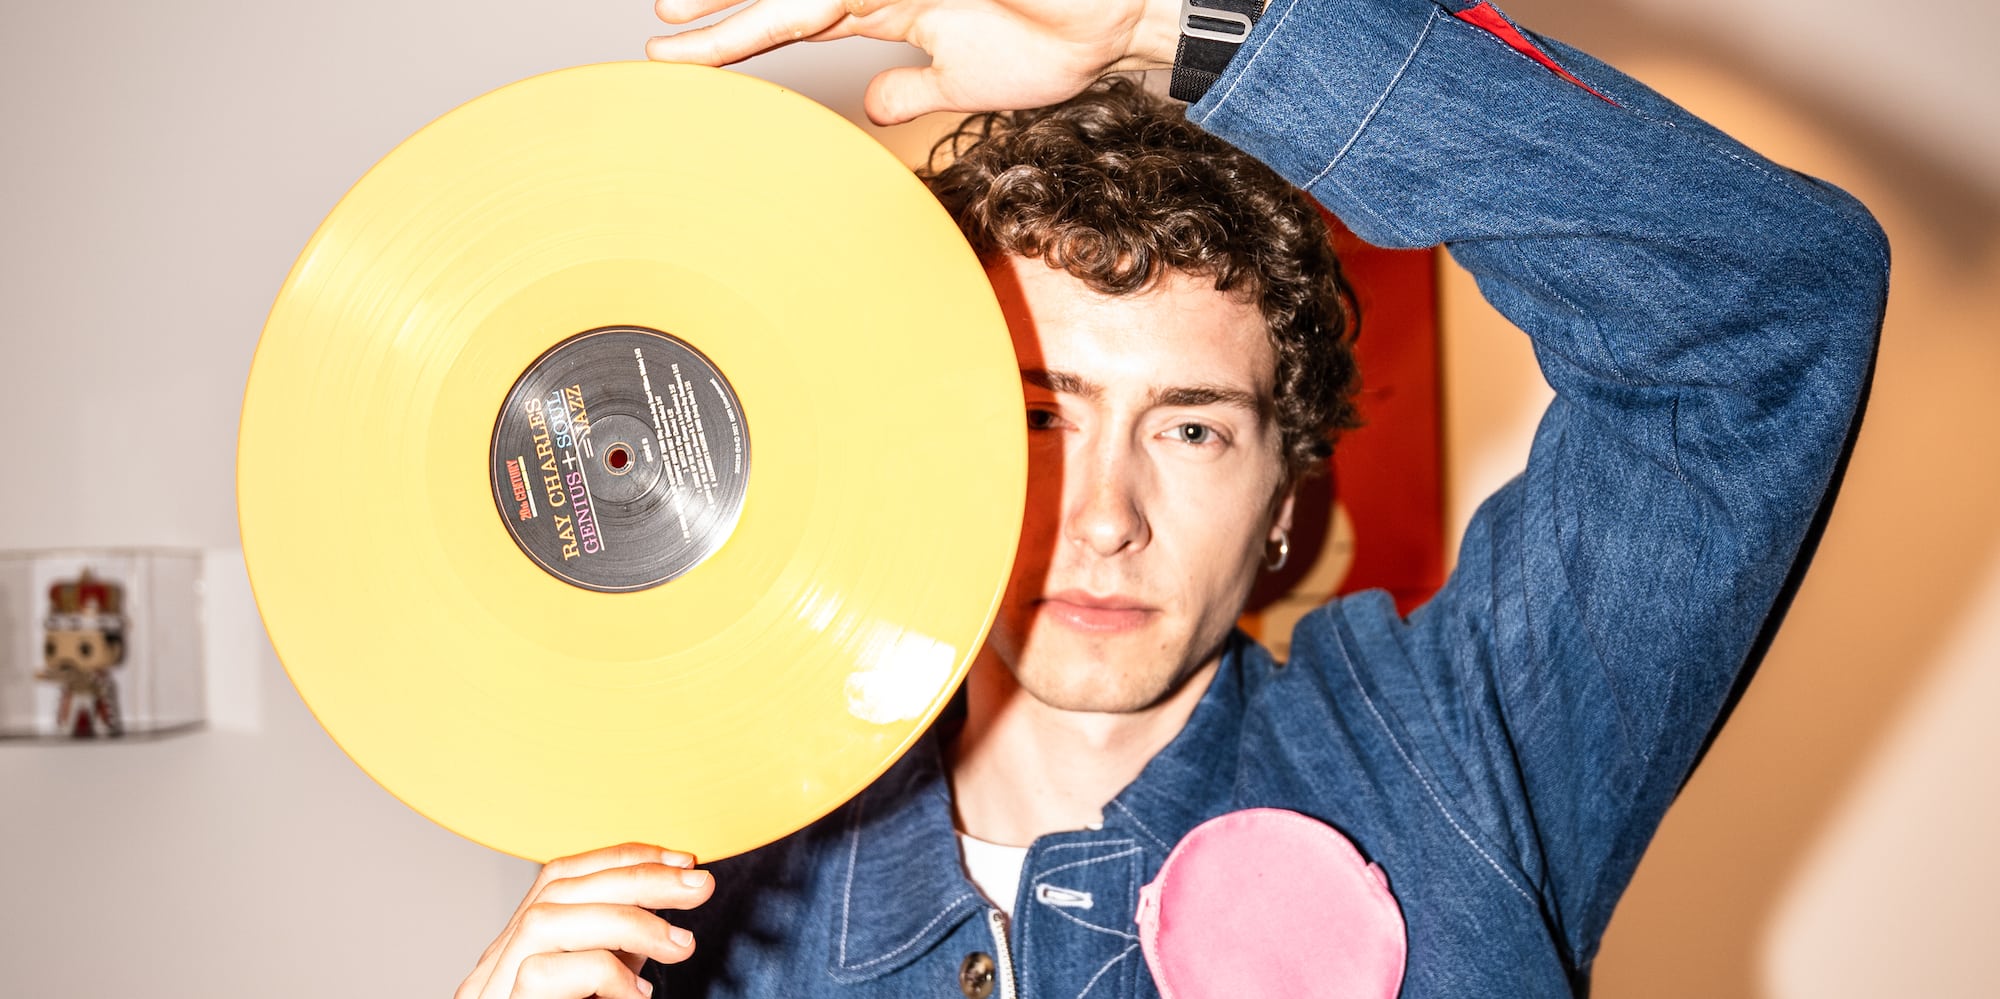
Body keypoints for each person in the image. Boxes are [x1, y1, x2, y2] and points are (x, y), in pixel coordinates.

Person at [455, 0, 1888, 995]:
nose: (1105, 517)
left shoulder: (1464, 750)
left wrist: (1171, 28)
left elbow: (1764, 307)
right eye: (1038, 419)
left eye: (1193, 429)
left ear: (1285, 495)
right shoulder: (711, 888)